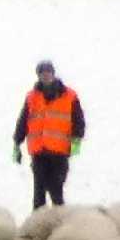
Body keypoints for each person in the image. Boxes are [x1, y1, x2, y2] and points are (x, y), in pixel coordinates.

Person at [13, 59, 84, 209]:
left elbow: (78, 120)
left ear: (53, 73)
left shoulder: (69, 96)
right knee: (39, 192)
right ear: (38, 75)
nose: (45, 76)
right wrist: (16, 143)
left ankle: (60, 219)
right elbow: (23, 120)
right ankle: (38, 220)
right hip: (39, 151)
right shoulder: (32, 97)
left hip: (60, 151)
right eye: (42, 73)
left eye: (48, 72)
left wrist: (76, 142)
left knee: (56, 190)